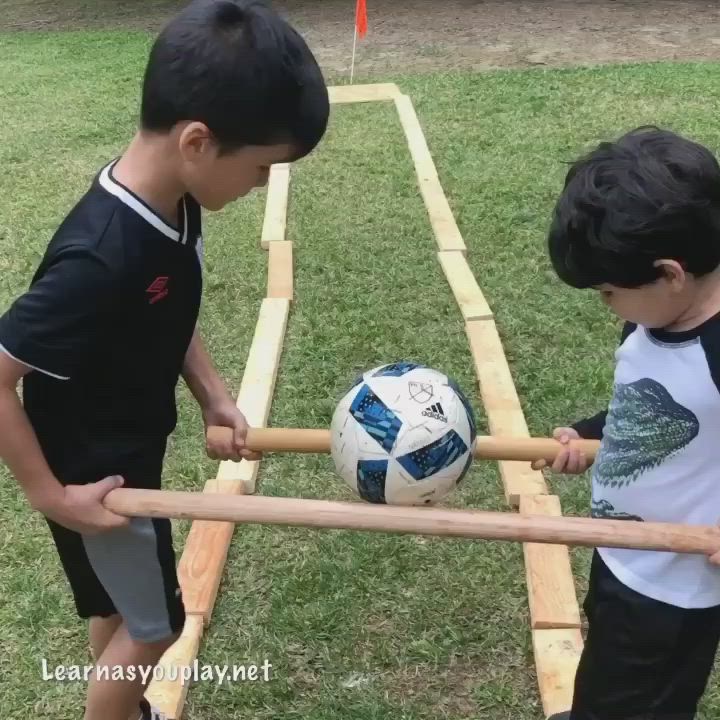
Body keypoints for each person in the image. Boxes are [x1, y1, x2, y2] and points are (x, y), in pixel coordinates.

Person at [0, 1, 328, 719]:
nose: (263, 187)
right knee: (155, 628)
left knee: (119, 610)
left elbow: (163, 309)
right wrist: (53, 497)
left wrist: (211, 393)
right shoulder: (100, 254)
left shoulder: (174, 199)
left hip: (124, 444)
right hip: (96, 474)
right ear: (198, 141)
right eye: (263, 169)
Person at [536, 125, 720, 720]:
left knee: (643, 699)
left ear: (670, 273)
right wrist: (591, 434)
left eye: (611, 291)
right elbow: (644, 403)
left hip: (675, 584)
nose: (606, 303)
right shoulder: (655, 319)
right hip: (624, 547)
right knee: (610, 664)